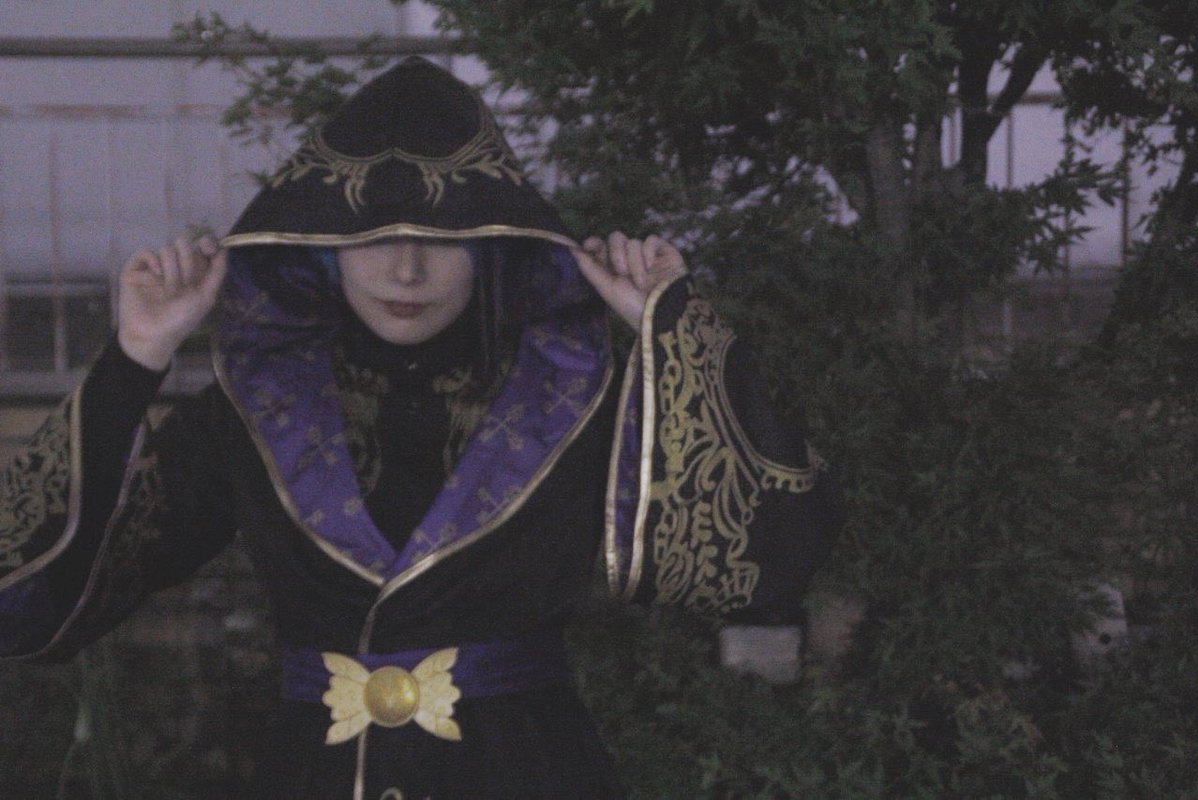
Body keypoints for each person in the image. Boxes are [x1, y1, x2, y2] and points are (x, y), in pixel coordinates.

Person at [0, 57, 842, 798]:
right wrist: (136, 357)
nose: (407, 268)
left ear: (494, 243)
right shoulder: (251, 405)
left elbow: (761, 567)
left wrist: (673, 331)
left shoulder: (578, 393)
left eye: (442, 236)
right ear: (320, 243)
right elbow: (27, 600)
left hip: (531, 775)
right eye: (371, 236)